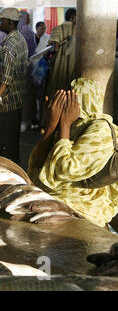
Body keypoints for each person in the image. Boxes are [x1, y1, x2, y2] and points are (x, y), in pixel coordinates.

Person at [28, 78, 118, 228]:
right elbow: (35, 171)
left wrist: (65, 124)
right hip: (57, 201)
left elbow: (66, 169)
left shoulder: (100, 129)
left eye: (70, 100)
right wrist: (51, 125)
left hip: (84, 209)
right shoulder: (73, 127)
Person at [0, 8, 28, 165]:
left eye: (2, 21)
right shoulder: (20, 39)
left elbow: (5, 81)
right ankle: (16, 171)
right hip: (18, 99)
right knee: (13, 143)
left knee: (4, 145)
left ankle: (6, 173)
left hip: (6, 103)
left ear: (9, 22)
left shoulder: (8, 47)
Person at [45, 8, 77, 100]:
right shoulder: (78, 30)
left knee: (56, 87)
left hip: (58, 64)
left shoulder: (57, 29)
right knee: (70, 88)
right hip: (72, 64)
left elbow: (55, 48)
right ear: (72, 18)